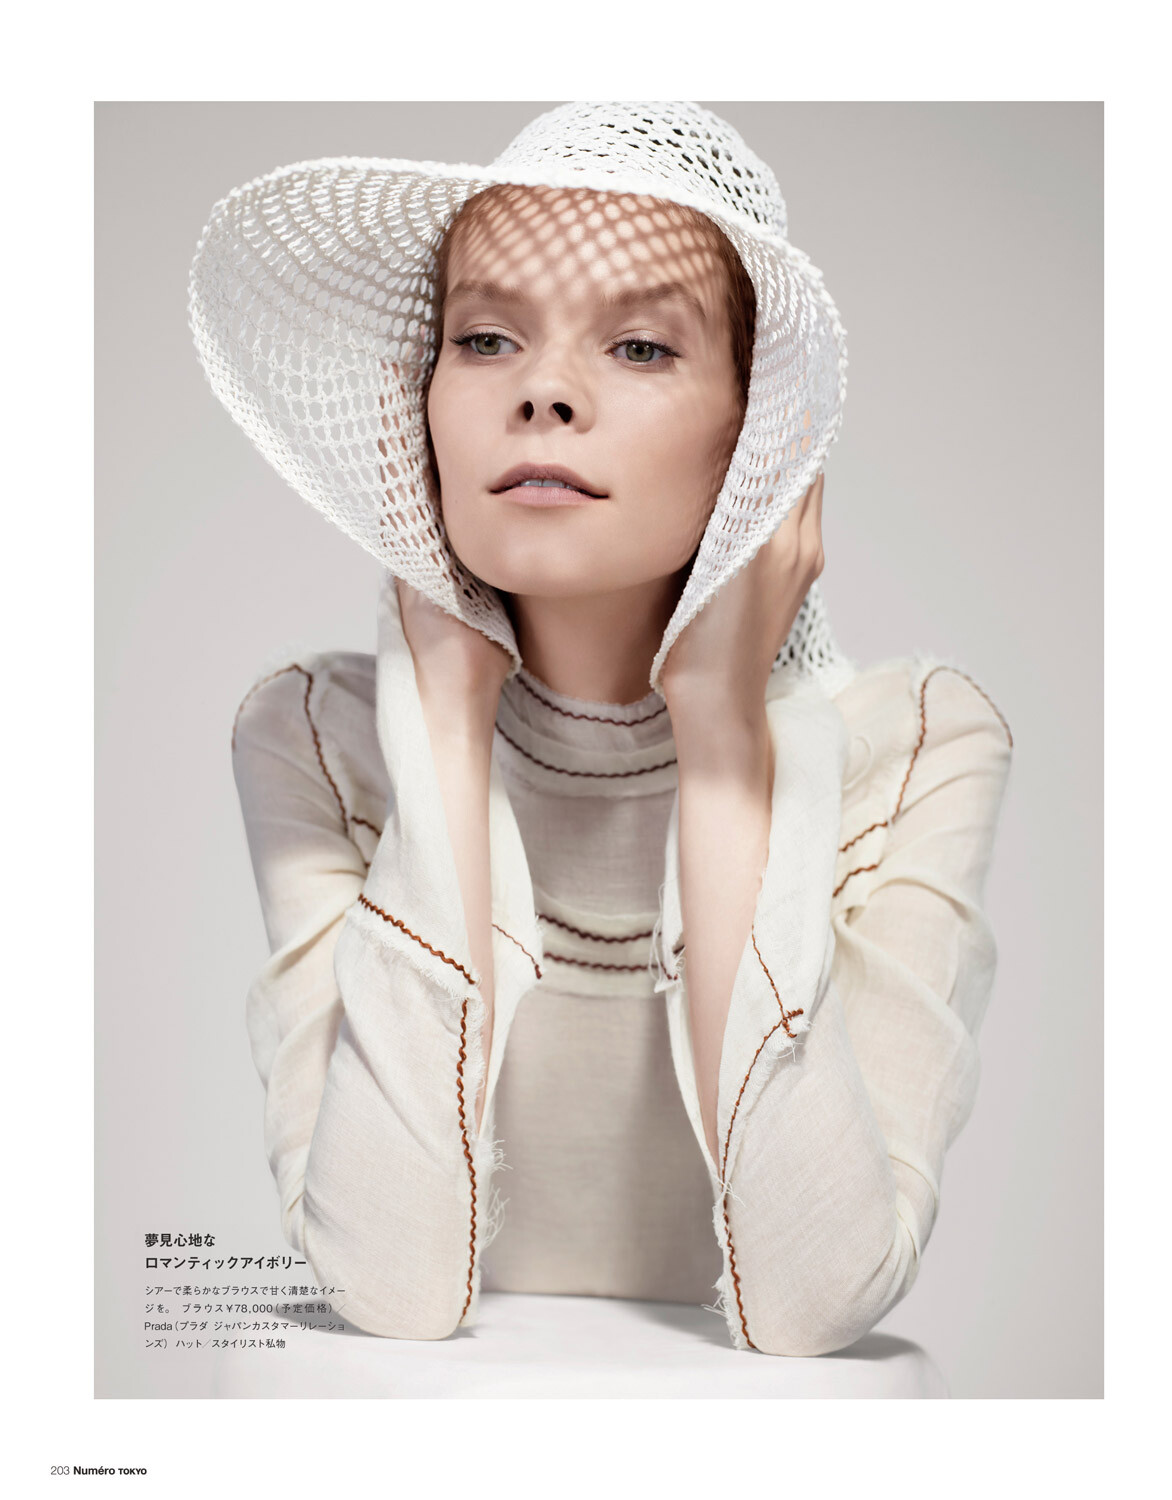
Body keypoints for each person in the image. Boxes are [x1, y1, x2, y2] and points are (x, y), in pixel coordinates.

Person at [192, 102, 1014, 1355]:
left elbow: (814, 1305)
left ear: (757, 431)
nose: (543, 393)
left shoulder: (915, 751)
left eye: (638, 346)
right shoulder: (314, 737)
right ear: (415, 408)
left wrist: (724, 746)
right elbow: (388, 1291)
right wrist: (442, 726)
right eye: (484, 338)